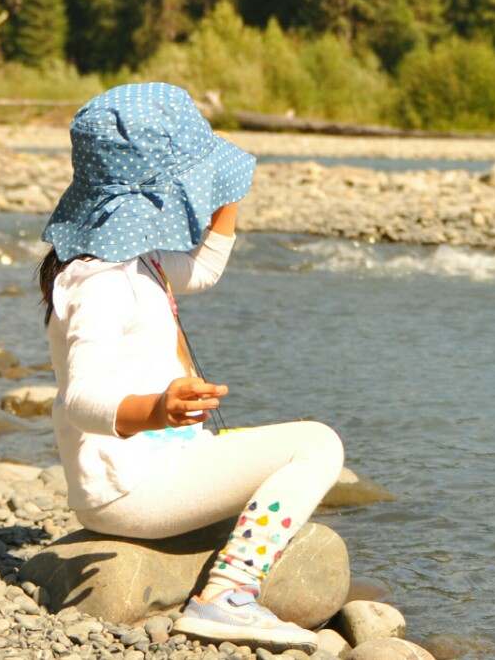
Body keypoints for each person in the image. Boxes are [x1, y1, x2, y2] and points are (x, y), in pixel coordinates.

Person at [37, 82, 344, 652]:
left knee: (291, 447)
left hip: (159, 466)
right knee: (317, 444)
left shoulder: (134, 260)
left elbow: (201, 270)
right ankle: (227, 596)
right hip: (130, 490)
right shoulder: (101, 285)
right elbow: (79, 400)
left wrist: (230, 190)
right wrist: (159, 408)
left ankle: (227, 583)